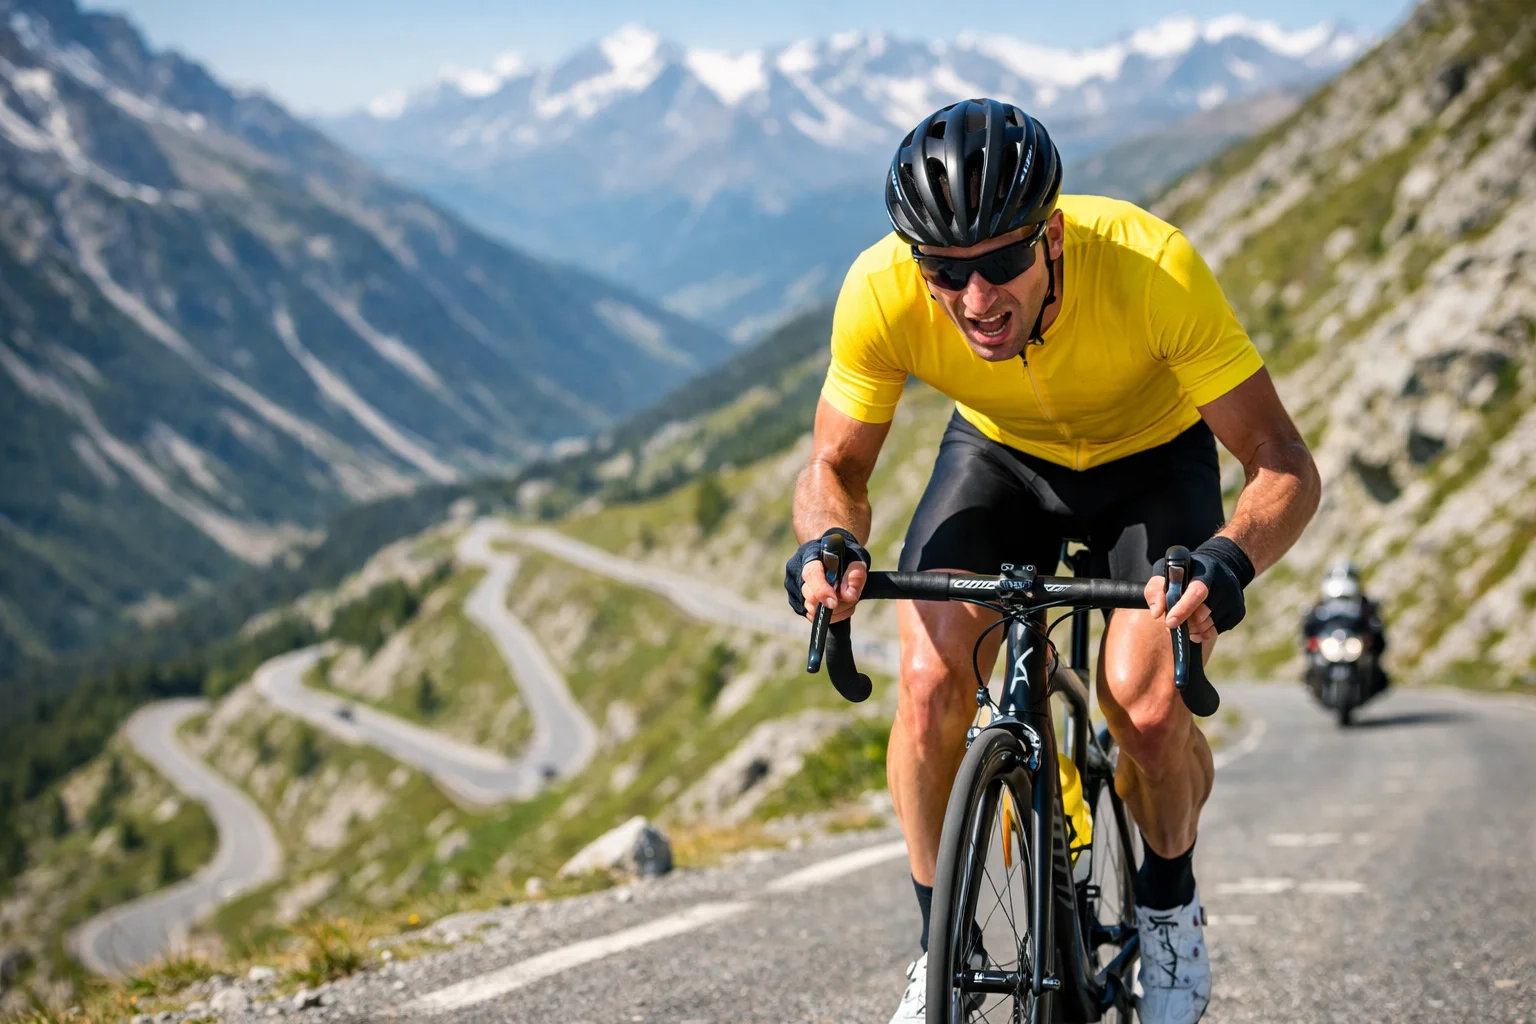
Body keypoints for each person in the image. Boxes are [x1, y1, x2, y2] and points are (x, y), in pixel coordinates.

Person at [782, 98, 1320, 1024]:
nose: (977, 299)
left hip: (1153, 459)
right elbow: (835, 468)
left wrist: (1228, 562)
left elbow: (1282, 465)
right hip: (1000, 457)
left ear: (1055, 237)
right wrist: (829, 544)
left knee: (1146, 704)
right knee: (925, 682)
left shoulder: (1154, 269)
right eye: (946, 272)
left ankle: (1169, 908)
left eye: (1002, 262)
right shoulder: (879, 290)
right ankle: (936, 944)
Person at [1302, 560, 1389, 696]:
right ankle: (1313, 683)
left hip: (1352, 643)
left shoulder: (1364, 605)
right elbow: (1309, 629)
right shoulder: (1320, 606)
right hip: (1330, 644)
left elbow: (1377, 633)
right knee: (1313, 657)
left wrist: (1371, 634)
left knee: (1371, 658)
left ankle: (1370, 683)